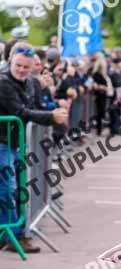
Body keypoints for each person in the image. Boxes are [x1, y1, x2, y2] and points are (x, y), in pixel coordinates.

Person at [0, 43, 69, 254]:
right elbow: (20, 112)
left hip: (16, 143)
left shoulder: (29, 82)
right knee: (8, 190)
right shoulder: (3, 83)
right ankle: (10, 235)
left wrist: (52, 110)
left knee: (18, 189)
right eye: (18, 66)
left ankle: (13, 233)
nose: (21, 70)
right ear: (10, 61)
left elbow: (33, 108)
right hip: (3, 143)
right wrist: (51, 117)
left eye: (26, 67)